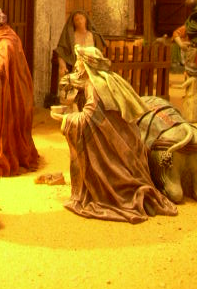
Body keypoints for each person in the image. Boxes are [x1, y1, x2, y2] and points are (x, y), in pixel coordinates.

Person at [51, 45, 178, 223]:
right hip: (125, 139)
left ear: (85, 65)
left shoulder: (93, 87)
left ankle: (109, 192)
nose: (76, 65)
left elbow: (89, 117)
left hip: (112, 143)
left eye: (79, 61)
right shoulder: (109, 79)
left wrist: (65, 119)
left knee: (107, 172)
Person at [0, 5, 39, 177]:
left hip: (14, 91)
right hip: (18, 86)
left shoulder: (4, 42)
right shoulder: (4, 36)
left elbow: (2, 68)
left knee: (7, 123)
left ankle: (5, 156)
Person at [55, 9, 106, 79]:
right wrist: (62, 65)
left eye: (81, 18)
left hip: (93, 68)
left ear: (86, 19)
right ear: (73, 22)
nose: (80, 21)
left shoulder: (94, 36)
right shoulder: (70, 37)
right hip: (77, 68)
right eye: (77, 19)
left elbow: (99, 54)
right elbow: (61, 51)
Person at [172, 5, 197, 122]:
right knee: (191, 90)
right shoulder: (190, 26)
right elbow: (176, 33)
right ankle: (191, 115)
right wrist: (181, 44)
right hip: (192, 60)